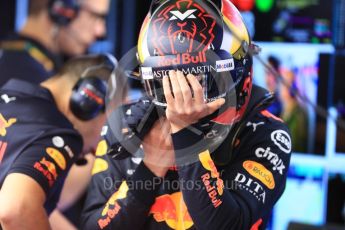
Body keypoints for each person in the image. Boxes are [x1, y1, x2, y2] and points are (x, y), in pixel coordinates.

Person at [81, 0, 292, 229]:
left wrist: (186, 135)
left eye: (204, 80)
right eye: (168, 79)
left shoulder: (267, 133)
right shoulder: (125, 125)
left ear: (240, 70)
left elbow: (226, 225)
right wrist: (149, 169)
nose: (185, 93)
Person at [0, 54, 125, 230]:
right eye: (109, 125)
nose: (98, 148)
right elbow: (17, 209)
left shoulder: (7, 97)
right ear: (88, 100)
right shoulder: (58, 134)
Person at [0, 0, 110, 87]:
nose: (100, 31)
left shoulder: (11, 57)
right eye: (94, 16)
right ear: (60, 8)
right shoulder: (35, 82)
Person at [279, 68, 308, 153]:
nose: (280, 86)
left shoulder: (298, 115)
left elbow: (293, 146)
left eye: (283, 83)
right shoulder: (285, 110)